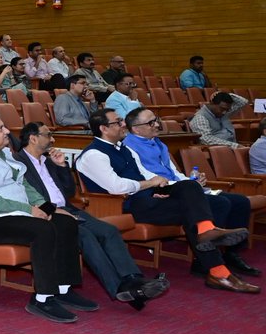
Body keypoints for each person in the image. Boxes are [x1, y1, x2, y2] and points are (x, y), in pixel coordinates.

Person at [76, 108, 255, 294]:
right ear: (104, 128)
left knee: (193, 189)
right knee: (194, 211)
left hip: (147, 199)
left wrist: (158, 186)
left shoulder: (125, 149)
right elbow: (116, 187)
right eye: (118, 122)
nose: (123, 125)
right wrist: (149, 184)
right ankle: (217, 268)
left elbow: (147, 175)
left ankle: (210, 247)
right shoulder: (93, 155)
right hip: (125, 206)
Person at [0, 111, 96, 322]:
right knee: (43, 229)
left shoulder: (3, 154)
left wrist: (48, 208)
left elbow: (25, 185)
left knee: (65, 222)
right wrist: (30, 210)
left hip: (18, 213)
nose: (7, 132)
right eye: (0, 128)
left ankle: (63, 289)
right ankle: (43, 298)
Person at [15, 122, 169, 309]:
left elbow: (69, 192)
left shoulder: (48, 160)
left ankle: (134, 280)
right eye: (48, 135)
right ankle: (120, 289)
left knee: (109, 231)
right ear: (33, 138)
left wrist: (62, 166)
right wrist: (55, 210)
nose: (53, 139)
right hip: (47, 214)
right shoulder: (18, 163)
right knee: (86, 237)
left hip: (68, 208)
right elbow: (25, 196)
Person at [123, 106, 258, 280]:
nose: (157, 124)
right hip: (157, 189)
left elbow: (172, 171)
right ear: (136, 128)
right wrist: (186, 185)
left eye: (156, 120)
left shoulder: (158, 143)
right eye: (151, 123)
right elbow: (146, 176)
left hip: (177, 186)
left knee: (240, 202)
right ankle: (204, 261)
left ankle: (231, 254)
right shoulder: (128, 147)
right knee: (220, 203)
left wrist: (190, 181)